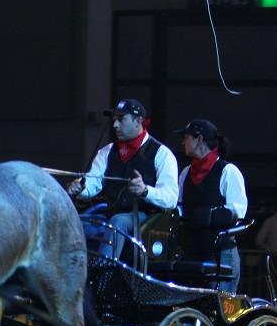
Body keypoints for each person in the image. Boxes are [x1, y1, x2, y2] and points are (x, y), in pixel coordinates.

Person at [66, 98, 179, 260]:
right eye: (114, 120)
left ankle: (104, 271)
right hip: (110, 214)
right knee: (74, 223)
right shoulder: (107, 152)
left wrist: (145, 191)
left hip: (145, 217)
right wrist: (80, 188)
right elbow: (93, 183)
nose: (115, 125)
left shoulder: (162, 153)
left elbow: (171, 198)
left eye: (121, 120)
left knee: (118, 221)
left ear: (138, 121)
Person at [174, 118, 248, 294]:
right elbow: (179, 208)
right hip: (190, 251)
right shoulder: (185, 173)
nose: (183, 141)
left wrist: (210, 215)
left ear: (199, 139)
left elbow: (238, 211)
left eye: (186, 137)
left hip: (220, 254)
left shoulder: (228, 171)